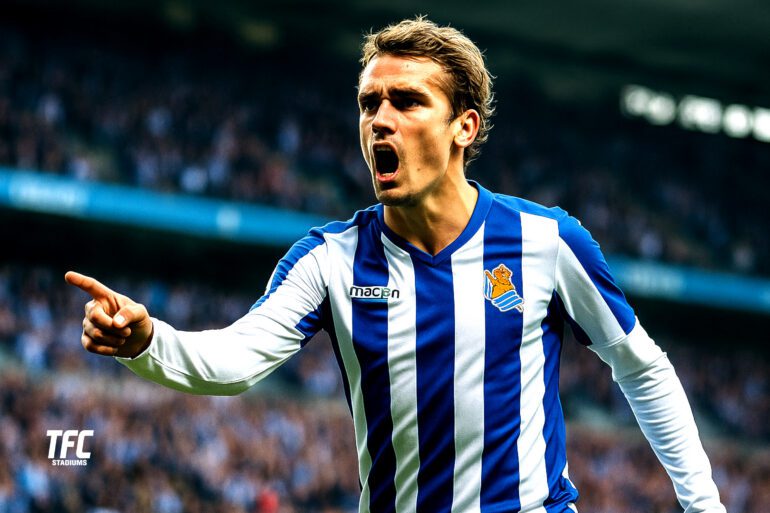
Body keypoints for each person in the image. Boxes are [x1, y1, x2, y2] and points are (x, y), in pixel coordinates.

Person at [66, 17, 726, 513]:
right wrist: (149, 342)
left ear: (463, 127)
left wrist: (704, 507)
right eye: (369, 103)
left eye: (406, 102)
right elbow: (236, 360)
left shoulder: (546, 241)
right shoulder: (328, 260)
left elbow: (643, 369)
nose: (380, 120)